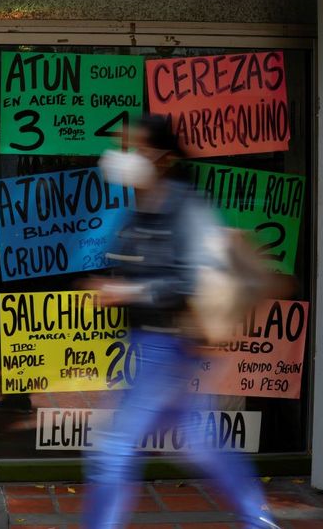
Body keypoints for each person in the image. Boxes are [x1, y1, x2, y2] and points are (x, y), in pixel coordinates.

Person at [82, 114, 280, 529]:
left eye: (135, 148)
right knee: (200, 442)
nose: (124, 157)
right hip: (151, 344)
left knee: (112, 448)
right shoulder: (141, 207)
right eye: (124, 147)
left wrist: (127, 292)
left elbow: (193, 278)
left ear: (164, 157)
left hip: (167, 345)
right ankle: (259, 519)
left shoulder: (187, 208)